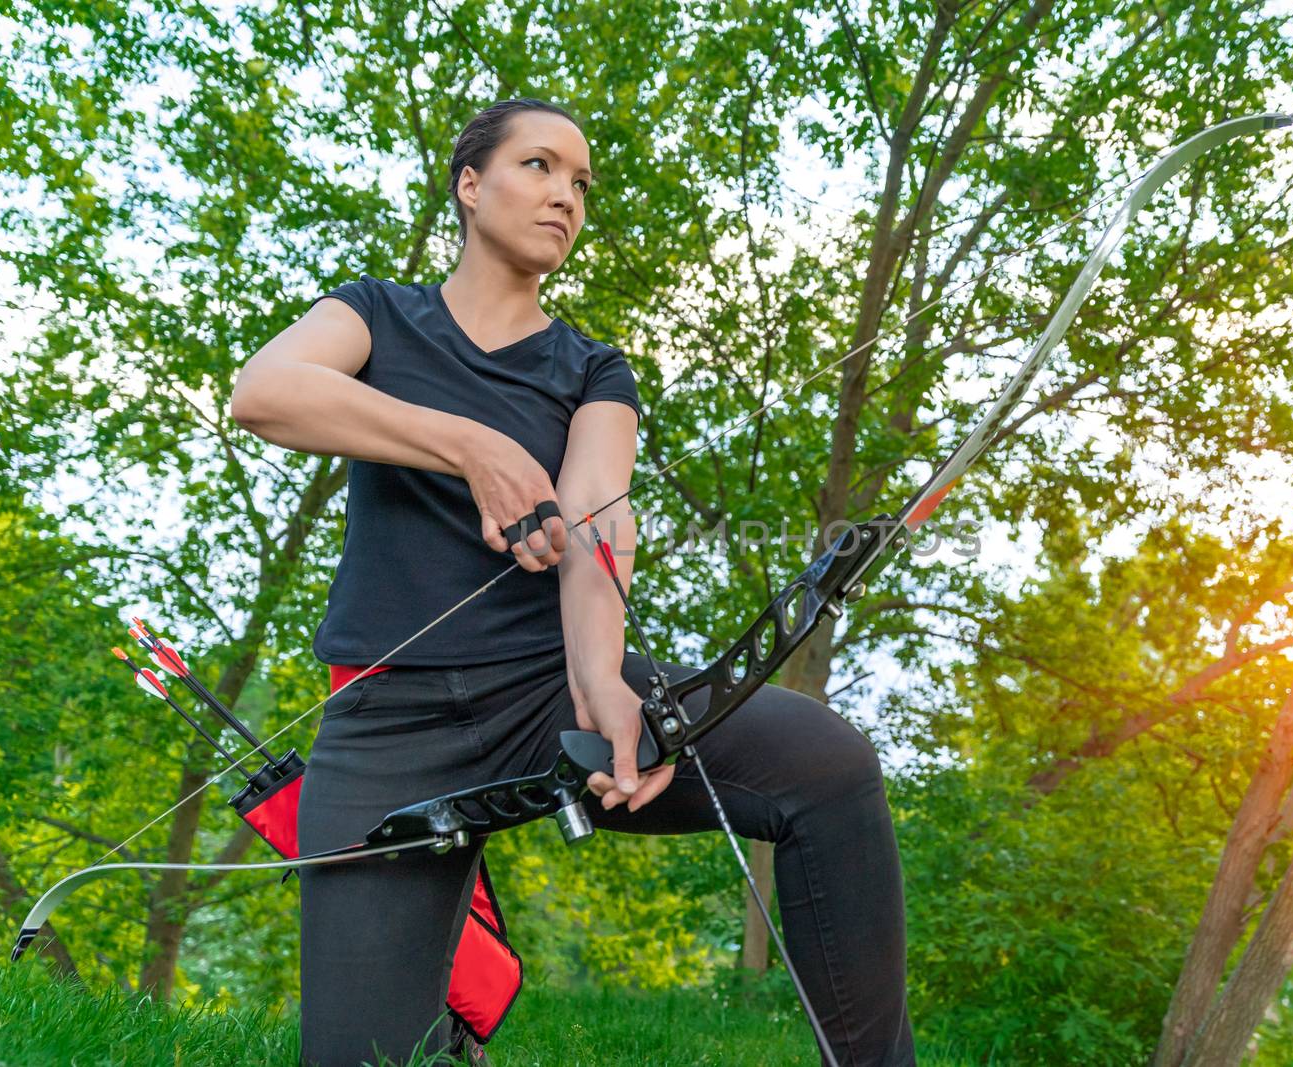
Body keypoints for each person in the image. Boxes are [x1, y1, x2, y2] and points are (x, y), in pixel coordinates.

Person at [230, 98, 914, 1066]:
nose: (565, 195)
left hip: (539, 690)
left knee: (824, 761)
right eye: (540, 166)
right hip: (389, 726)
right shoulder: (376, 313)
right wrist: (476, 447)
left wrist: (605, 691)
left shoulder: (593, 366)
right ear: (470, 185)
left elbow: (600, 519)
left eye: (581, 183)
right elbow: (264, 393)